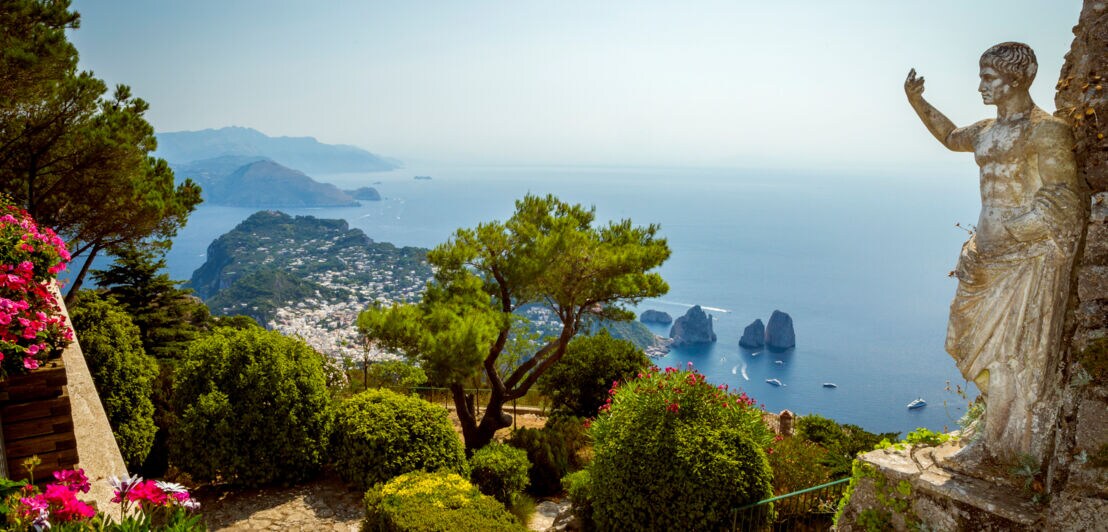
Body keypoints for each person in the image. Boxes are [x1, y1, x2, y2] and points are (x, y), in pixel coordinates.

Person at [904, 42, 1088, 460]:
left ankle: (1002, 445)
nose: (981, 86)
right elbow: (951, 137)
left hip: (1023, 262)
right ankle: (992, 432)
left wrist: (1015, 231)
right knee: (964, 339)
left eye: (988, 78)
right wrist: (918, 102)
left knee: (1009, 356)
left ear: (1016, 79)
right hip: (984, 258)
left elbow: (1063, 200)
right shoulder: (987, 131)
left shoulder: (1046, 131)